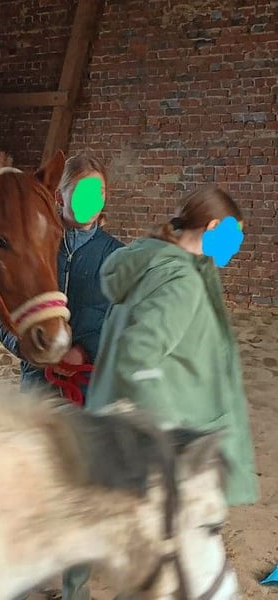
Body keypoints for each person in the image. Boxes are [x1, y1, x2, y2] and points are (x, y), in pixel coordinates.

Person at [0, 152, 123, 600]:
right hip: (36, 382)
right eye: (80, 190)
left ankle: (75, 587)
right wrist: (29, 350)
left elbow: (122, 323)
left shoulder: (116, 257)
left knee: (82, 487)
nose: (89, 200)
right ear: (60, 196)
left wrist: (86, 351)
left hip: (87, 388)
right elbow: (2, 313)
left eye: (97, 191)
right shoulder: (34, 242)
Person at [87, 185, 258, 508]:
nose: (237, 246)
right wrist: (170, 435)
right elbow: (137, 356)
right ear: (212, 227)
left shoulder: (151, 261)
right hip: (170, 448)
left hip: (120, 428)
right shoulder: (182, 282)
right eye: (234, 235)